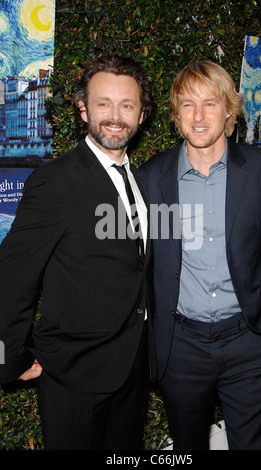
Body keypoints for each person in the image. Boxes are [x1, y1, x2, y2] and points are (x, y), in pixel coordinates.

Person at [139, 60, 261, 450]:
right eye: (187, 105)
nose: (198, 116)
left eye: (210, 104)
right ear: (176, 115)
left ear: (229, 110)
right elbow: (140, 267)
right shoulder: (151, 178)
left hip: (250, 343)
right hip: (180, 349)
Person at [0, 55, 156, 450]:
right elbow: (11, 277)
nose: (115, 116)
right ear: (83, 109)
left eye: (127, 105)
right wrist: (10, 358)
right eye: (103, 103)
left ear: (142, 114)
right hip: (75, 376)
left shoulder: (141, 179)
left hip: (133, 371)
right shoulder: (56, 181)